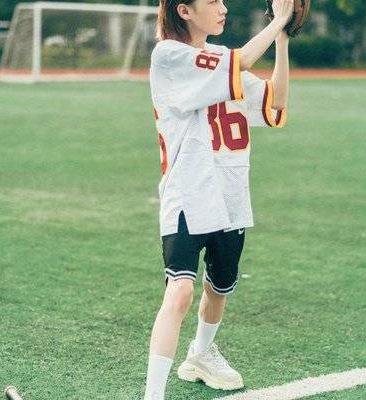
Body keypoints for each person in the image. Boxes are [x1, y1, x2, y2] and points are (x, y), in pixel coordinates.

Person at [145, 0, 293, 398]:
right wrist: (277, 20)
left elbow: (276, 102)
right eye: (212, 1)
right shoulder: (169, 55)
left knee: (219, 287)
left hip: (231, 193)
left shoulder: (220, 58)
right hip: (188, 193)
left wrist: (282, 39)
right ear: (184, 11)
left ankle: (201, 354)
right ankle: (152, 394)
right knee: (180, 290)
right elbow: (241, 60)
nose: (223, 7)